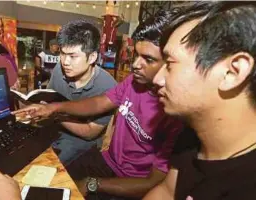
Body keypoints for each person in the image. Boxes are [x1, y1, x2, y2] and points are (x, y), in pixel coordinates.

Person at [11, 10, 182, 200]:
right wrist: (53, 108)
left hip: (132, 181)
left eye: (148, 59)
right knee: (50, 183)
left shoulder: (176, 114)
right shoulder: (134, 81)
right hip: (108, 161)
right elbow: (100, 102)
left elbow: (153, 184)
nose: (135, 65)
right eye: (136, 55)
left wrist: (93, 184)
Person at [144, 2, 256, 200]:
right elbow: (167, 192)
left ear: (232, 72)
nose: (157, 79)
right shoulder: (192, 134)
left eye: (169, 64)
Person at [45, 20, 117, 165]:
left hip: (80, 141)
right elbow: (49, 97)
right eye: (62, 54)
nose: (65, 62)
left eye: (73, 56)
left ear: (92, 57)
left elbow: (90, 133)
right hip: (52, 128)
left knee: (49, 167)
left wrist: (53, 113)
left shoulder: (108, 87)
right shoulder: (60, 69)